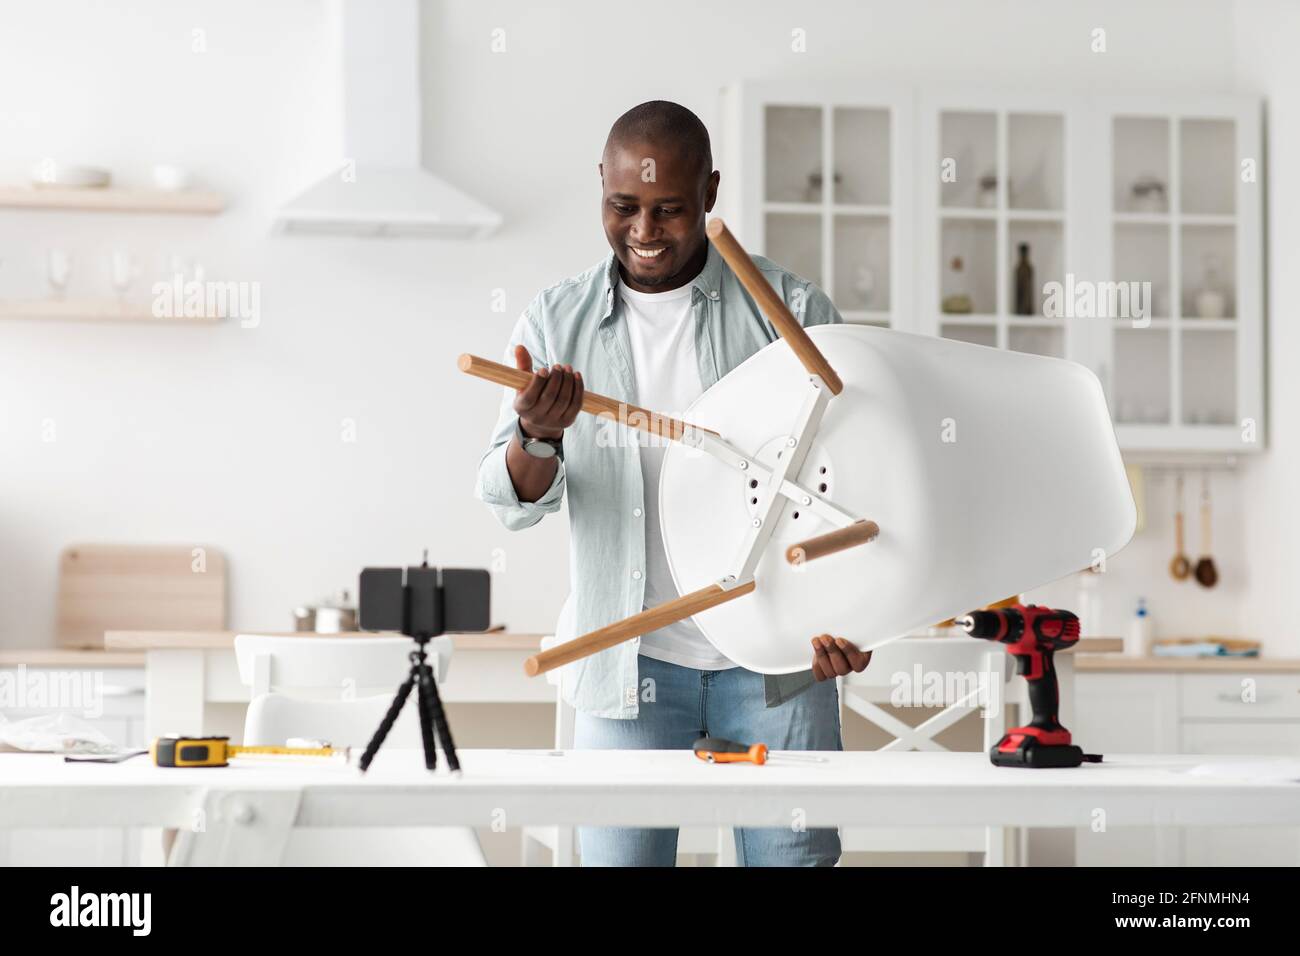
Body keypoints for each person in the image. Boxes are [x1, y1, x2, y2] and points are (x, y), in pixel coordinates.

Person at [475, 100, 872, 866]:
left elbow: (852, 490)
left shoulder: (792, 314)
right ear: (599, 187)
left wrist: (855, 617)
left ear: (712, 193)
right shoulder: (554, 322)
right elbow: (512, 501)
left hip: (775, 662)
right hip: (629, 664)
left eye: (670, 210)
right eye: (624, 207)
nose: (645, 232)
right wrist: (539, 433)